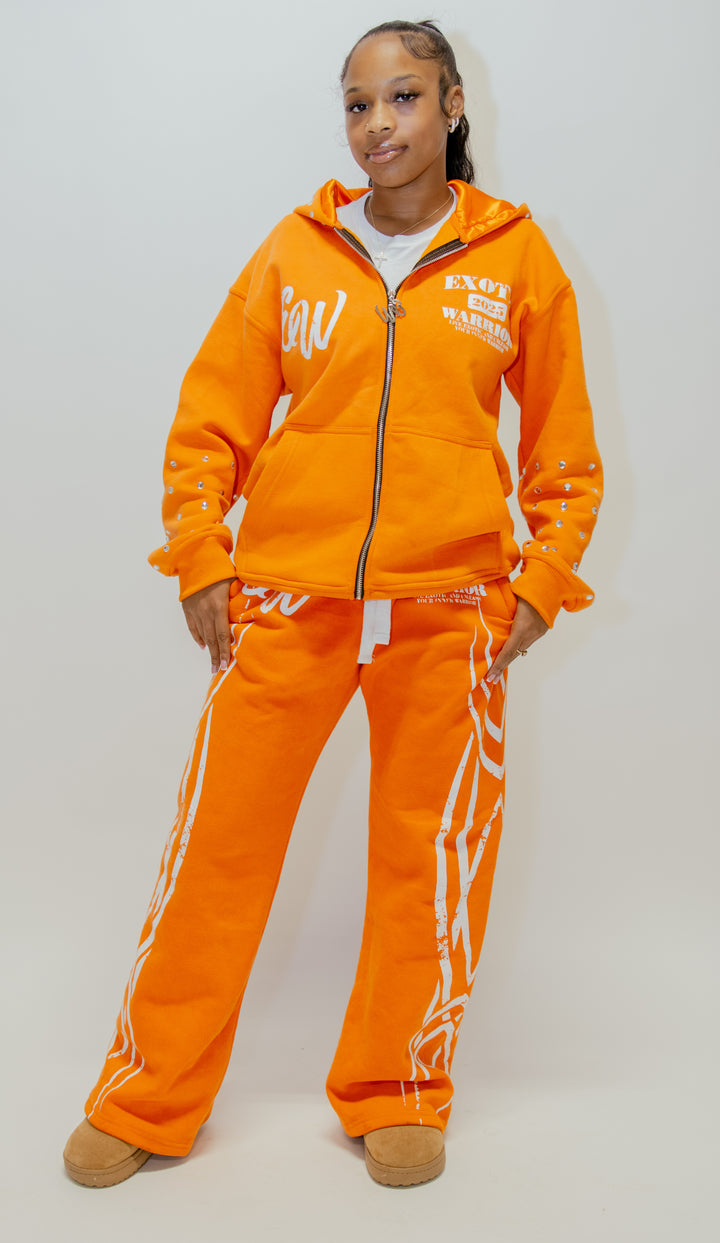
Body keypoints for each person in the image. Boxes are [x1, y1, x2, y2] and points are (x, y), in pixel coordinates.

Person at [63, 19, 602, 1190]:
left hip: (449, 610)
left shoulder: (516, 260)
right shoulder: (295, 251)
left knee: (430, 861)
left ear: (452, 105)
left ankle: (397, 1087)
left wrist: (540, 583)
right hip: (288, 601)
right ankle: (149, 1092)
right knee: (217, 853)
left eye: (402, 97)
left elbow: (565, 453)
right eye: (357, 105)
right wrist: (203, 557)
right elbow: (210, 421)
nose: (377, 125)